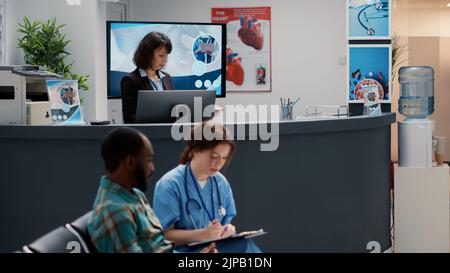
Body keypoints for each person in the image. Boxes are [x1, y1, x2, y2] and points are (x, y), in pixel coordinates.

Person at [87, 127, 216, 253]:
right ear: (131, 162)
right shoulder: (116, 213)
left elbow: (158, 245)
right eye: (148, 160)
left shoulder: (134, 194)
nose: (152, 168)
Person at [153, 121, 262, 253]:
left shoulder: (220, 183)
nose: (218, 163)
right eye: (213, 156)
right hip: (185, 251)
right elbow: (163, 236)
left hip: (216, 247)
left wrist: (227, 229)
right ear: (196, 150)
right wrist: (203, 234)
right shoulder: (170, 184)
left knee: (244, 245)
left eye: (224, 158)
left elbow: (224, 223)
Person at [121, 32, 175, 123]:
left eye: (166, 55)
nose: (165, 60)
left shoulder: (167, 77)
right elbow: (130, 119)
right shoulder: (131, 80)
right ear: (147, 54)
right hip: (146, 134)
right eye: (161, 55)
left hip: (169, 133)